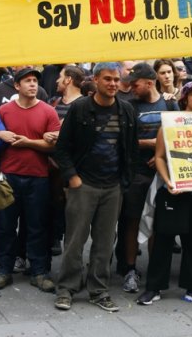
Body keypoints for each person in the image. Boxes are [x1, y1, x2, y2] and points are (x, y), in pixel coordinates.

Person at [52, 62, 136, 312]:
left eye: (116, 79)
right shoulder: (80, 109)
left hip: (113, 186)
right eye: (107, 79)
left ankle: (98, 291)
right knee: (75, 240)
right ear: (96, 80)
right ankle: (66, 288)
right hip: (84, 184)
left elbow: (130, 148)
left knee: (104, 242)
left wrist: (124, 181)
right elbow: (62, 149)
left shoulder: (127, 110)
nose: (112, 84)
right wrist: (72, 178)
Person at [136, 81, 192, 307]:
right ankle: (154, 287)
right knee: (163, 239)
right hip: (172, 191)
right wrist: (168, 182)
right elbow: (159, 157)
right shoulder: (169, 124)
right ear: (184, 98)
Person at [0, 68, 60, 293]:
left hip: (38, 177)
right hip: (9, 175)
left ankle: (39, 271)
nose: (32, 85)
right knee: (5, 226)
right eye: (27, 81)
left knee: (37, 226)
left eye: (35, 81)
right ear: (16, 86)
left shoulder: (48, 111)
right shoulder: (4, 111)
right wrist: (0, 135)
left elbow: (54, 145)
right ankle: (4, 270)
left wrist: (28, 142)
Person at [114, 62, 177, 293]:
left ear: (149, 83)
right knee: (131, 221)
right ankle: (130, 269)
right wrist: (152, 144)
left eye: (136, 84)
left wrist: (162, 155)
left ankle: (155, 270)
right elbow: (123, 139)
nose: (131, 88)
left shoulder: (170, 104)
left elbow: (178, 135)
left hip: (162, 174)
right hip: (137, 172)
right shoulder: (129, 106)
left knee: (158, 224)